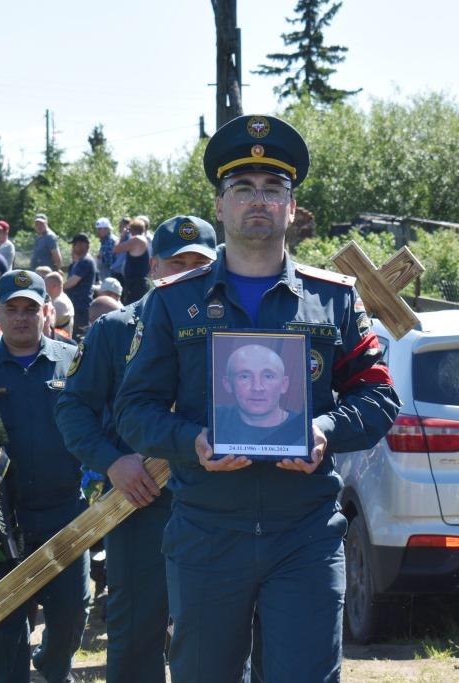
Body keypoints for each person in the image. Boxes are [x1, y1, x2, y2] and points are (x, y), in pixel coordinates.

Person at [114, 115, 400, 682]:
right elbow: (133, 408)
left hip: (305, 535)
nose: (258, 202)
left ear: (292, 208)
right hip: (207, 532)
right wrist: (191, 440)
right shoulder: (173, 303)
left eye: (274, 189)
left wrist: (324, 430)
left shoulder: (333, 300)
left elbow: (377, 398)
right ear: (219, 206)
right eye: (242, 189)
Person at [55, 214, 217, 683]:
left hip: (215, 502)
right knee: (135, 632)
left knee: (214, 631)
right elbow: (74, 409)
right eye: (174, 263)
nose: (185, 272)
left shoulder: (230, 330)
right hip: (138, 503)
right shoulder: (115, 331)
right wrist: (113, 462)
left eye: (198, 263)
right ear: (152, 268)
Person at [0, 269, 89, 683]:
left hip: (65, 511)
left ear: (46, 312)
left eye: (30, 309)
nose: (21, 317)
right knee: (3, 625)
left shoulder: (72, 361)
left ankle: (53, 670)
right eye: (12, 309)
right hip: (1, 522)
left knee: (73, 610)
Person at [216, 344, 306, 447]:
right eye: (245, 376)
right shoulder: (213, 420)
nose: (257, 388)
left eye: (268, 376)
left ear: (284, 385)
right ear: (228, 384)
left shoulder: (304, 429)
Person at [63, 234, 97, 338]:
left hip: (81, 305)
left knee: (80, 335)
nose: (73, 247)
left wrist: (58, 287)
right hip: (77, 304)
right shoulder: (79, 262)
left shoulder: (86, 261)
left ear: (83, 245)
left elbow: (73, 281)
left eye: (75, 244)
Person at [112, 218, 151, 304]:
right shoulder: (141, 239)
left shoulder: (136, 240)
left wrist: (122, 235)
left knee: (133, 308)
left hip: (136, 283)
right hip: (136, 281)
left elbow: (115, 249)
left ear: (131, 229)